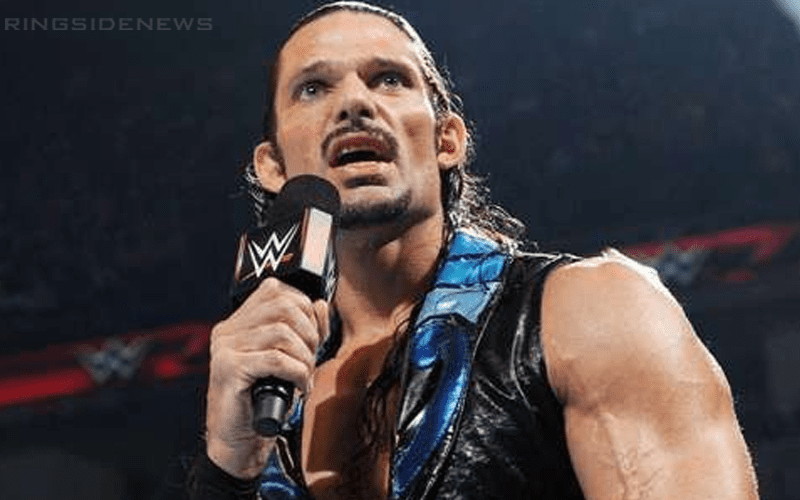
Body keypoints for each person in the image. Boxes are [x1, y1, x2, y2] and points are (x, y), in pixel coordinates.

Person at [185, 2, 759, 499]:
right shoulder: (271, 388)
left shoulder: (590, 312)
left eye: (389, 79)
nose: (354, 102)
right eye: (313, 88)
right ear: (272, 166)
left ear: (447, 140)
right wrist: (226, 468)